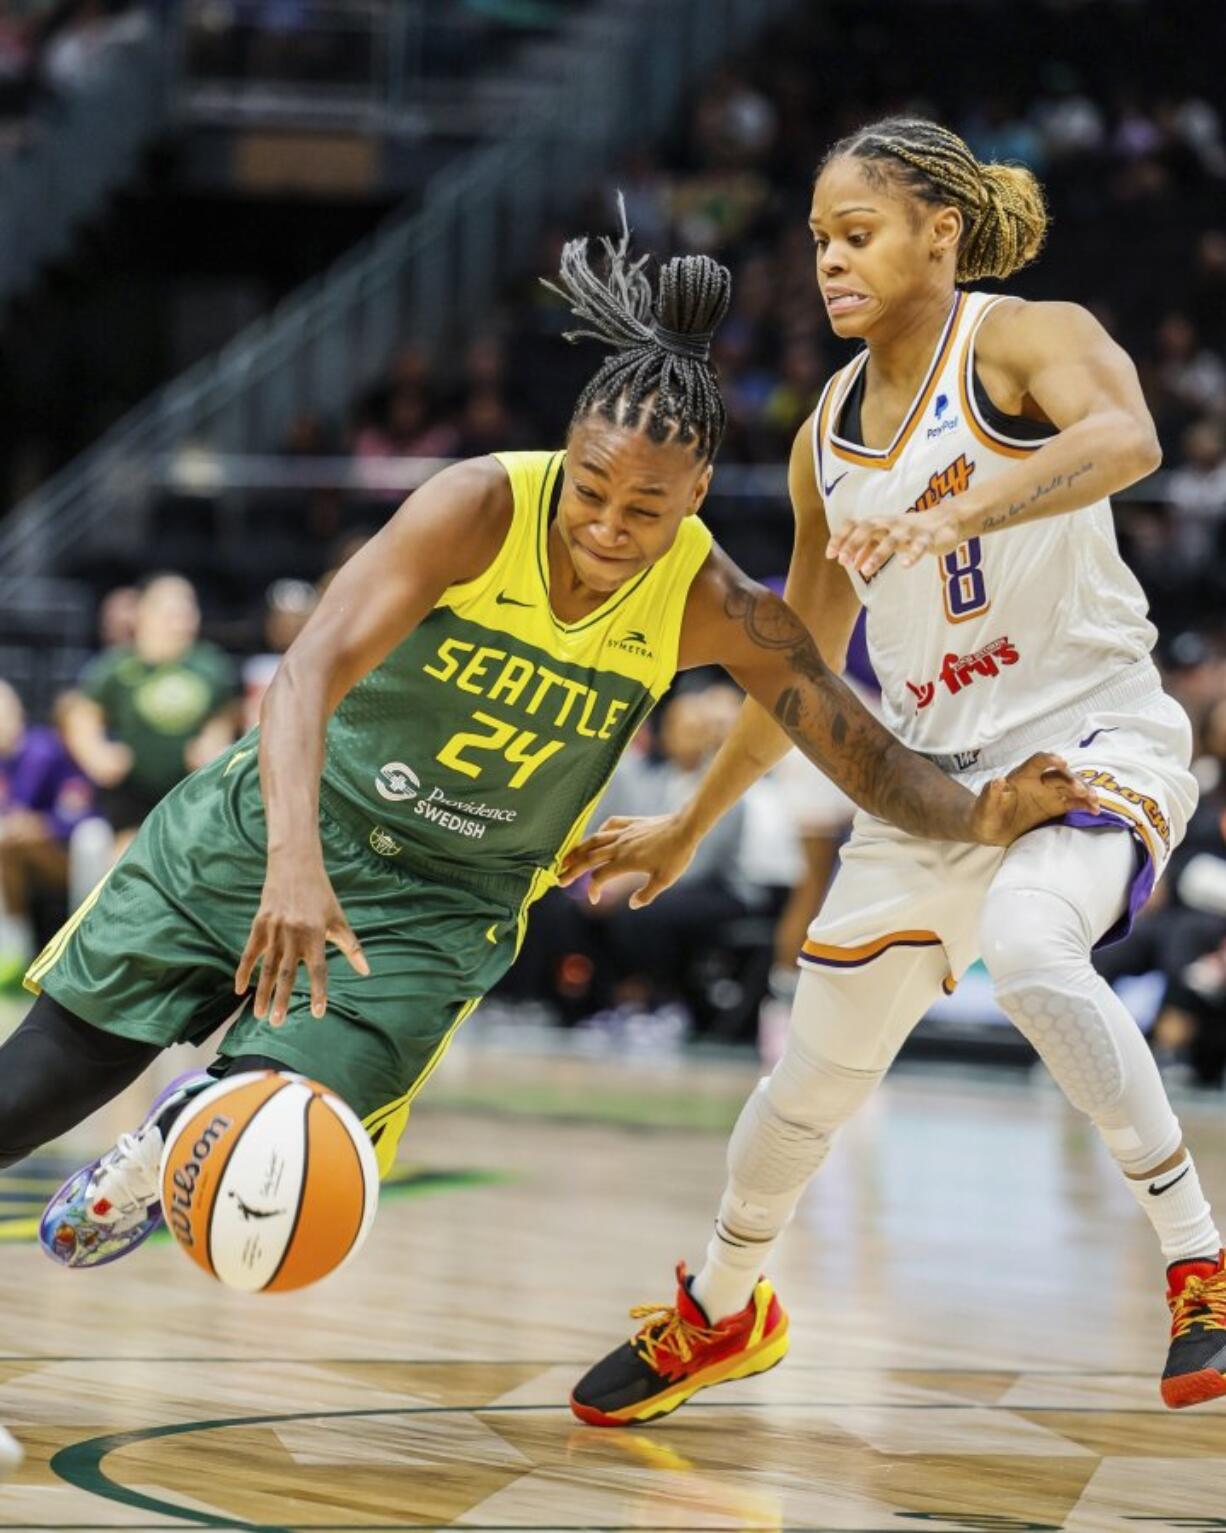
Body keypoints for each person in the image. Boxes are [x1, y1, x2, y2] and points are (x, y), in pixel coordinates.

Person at [4, 214, 1084, 1278]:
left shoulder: (713, 603)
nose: (608, 528)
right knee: (27, 1096)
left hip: (433, 910)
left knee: (276, 1132)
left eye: (645, 510)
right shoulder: (475, 506)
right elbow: (304, 676)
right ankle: (184, 1112)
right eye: (591, 490)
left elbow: (865, 754)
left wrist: (978, 813)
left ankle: (179, 1132)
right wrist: (293, 861)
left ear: (697, 496)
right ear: (563, 455)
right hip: (269, 829)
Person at [569, 119, 1224, 1427]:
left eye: (854, 232)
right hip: (929, 783)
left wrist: (957, 509)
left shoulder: (1023, 337)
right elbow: (796, 672)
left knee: (1036, 949)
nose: (827, 260)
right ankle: (722, 1305)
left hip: (1087, 728)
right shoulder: (823, 440)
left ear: (940, 230)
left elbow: (1128, 437)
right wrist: (691, 821)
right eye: (816, 239)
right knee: (808, 1079)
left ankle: (1198, 1263)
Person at [60, 574, 239, 857]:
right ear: (143, 613)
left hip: (189, 790)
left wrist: (212, 745)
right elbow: (80, 713)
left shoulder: (211, 665)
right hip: (131, 792)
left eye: (188, 608)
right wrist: (97, 753)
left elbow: (224, 715)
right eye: (170, 609)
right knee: (126, 857)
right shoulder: (118, 666)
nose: (182, 617)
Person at [0, 681, 93, 988]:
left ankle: (20, 956)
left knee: (10, 846)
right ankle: (14, 956)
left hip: (61, 855)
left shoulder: (46, 751)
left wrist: (42, 825)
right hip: (14, 858)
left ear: (18, 711)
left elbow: (79, 809)